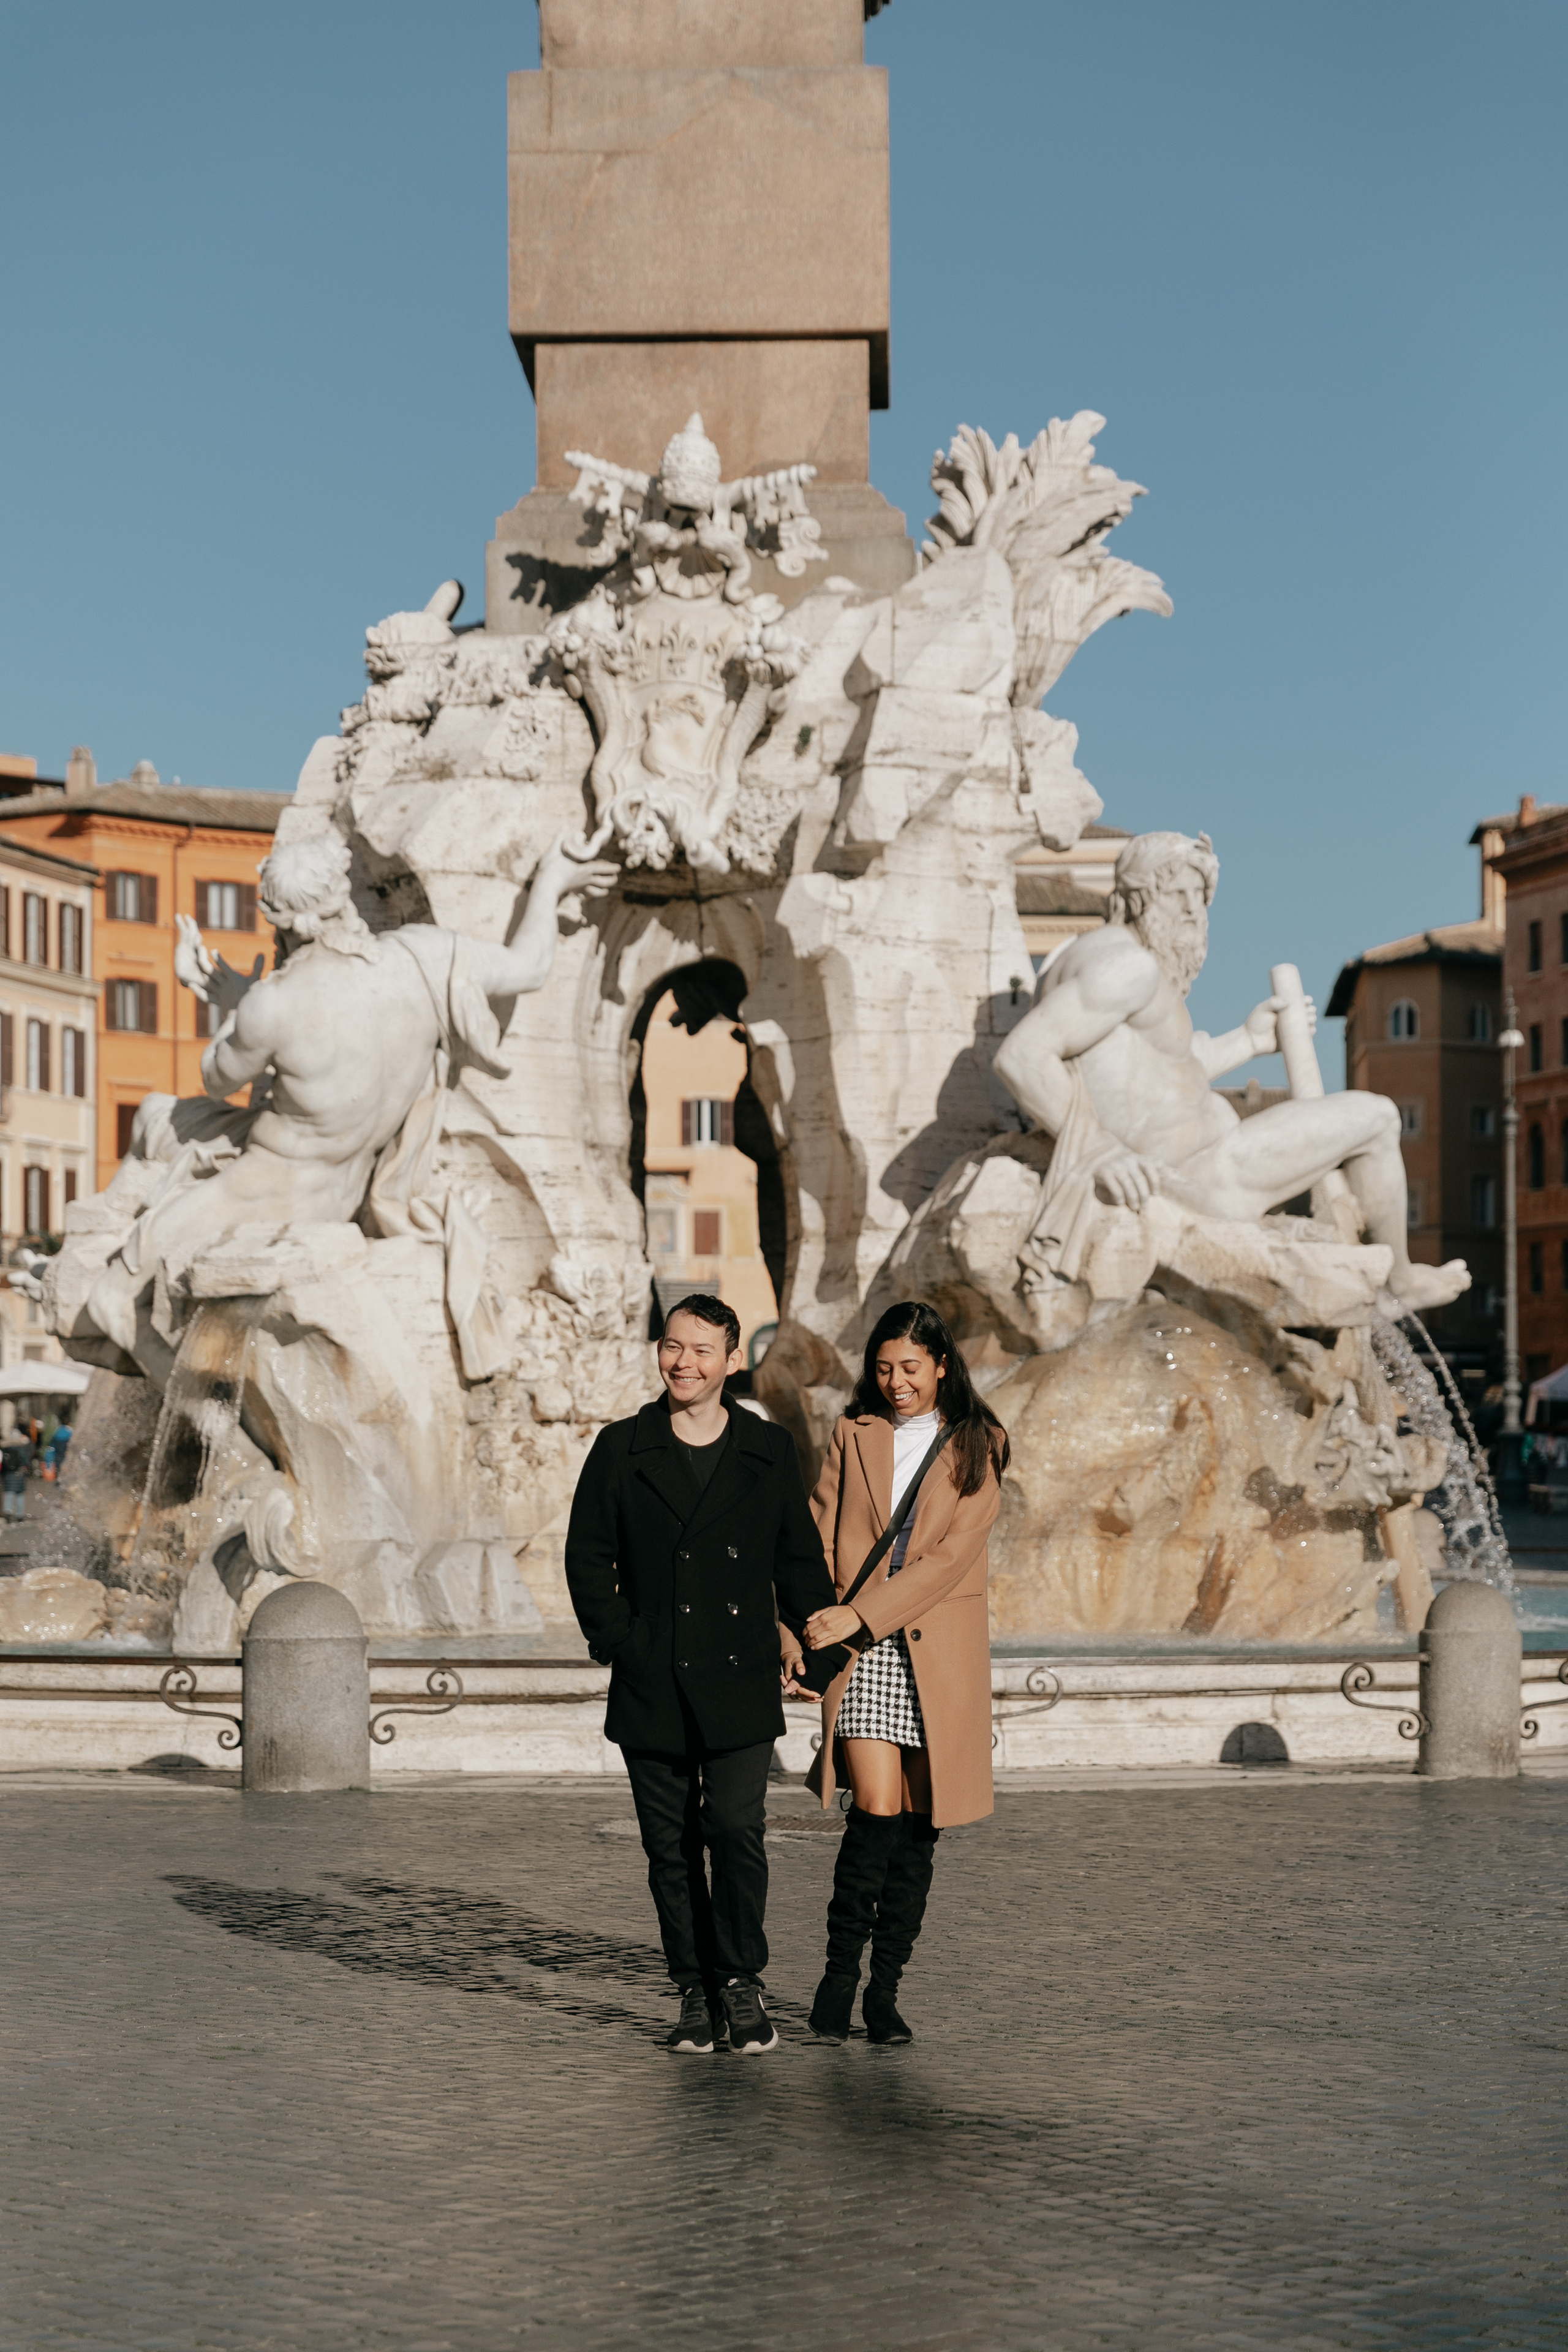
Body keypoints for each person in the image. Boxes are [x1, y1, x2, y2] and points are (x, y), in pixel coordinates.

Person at [990, 828, 1468, 1311]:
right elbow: (1022, 1057)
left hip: (1197, 1165)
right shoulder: (1127, 968)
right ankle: (1400, 1284)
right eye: (1179, 896)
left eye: (1200, 900)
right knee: (1379, 1117)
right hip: (1209, 1177)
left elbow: (1159, 1081)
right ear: (1139, 898)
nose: (1194, 914)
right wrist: (1099, 1150)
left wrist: (1249, 1041)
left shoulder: (1083, 957)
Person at [565, 1293, 836, 2056]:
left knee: (735, 1830)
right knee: (671, 1845)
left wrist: (814, 1652)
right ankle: (693, 1990)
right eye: (671, 1347)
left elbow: (797, 1560)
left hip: (740, 1672)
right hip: (654, 1676)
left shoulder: (767, 1449)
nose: (682, 1363)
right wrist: (625, 1640)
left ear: (732, 1361)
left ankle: (742, 1983)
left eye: (701, 1351)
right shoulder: (622, 1447)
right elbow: (587, 1557)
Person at [794, 1300, 1009, 2045]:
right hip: (861, 1650)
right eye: (883, 1368)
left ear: (942, 1364)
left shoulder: (981, 1442)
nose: (895, 1383)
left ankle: (884, 1991)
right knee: (875, 1811)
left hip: (935, 1652)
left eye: (910, 1368)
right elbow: (820, 1536)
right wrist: (802, 1632)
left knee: (918, 1826)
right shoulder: (854, 1433)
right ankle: (836, 1978)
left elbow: (952, 1560)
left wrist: (861, 1613)